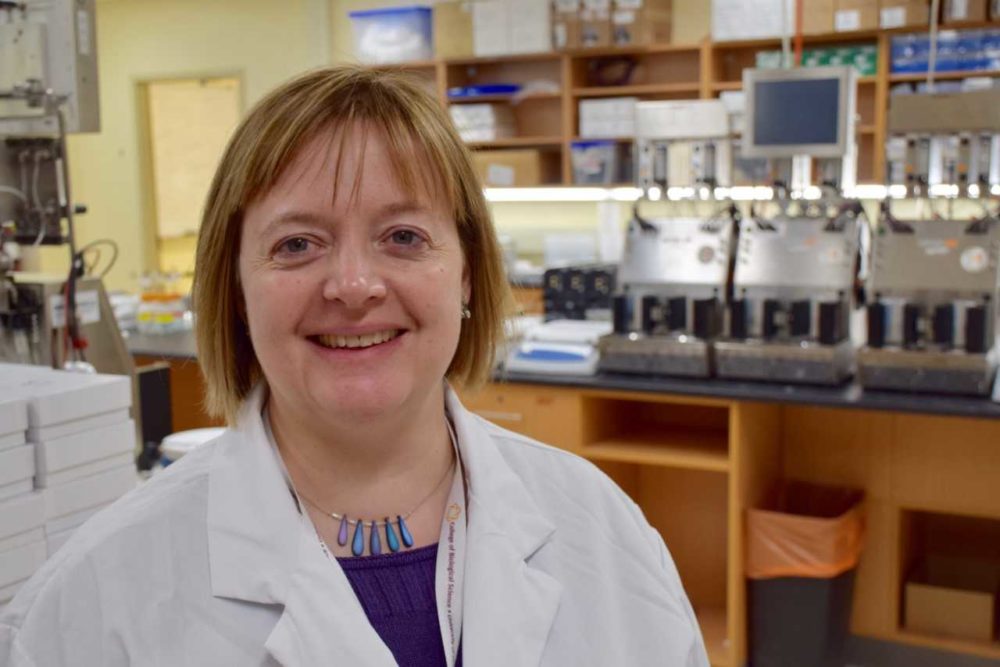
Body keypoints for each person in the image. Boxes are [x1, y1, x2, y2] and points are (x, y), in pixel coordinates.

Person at [0, 66, 709, 666]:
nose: (353, 284)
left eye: (403, 236)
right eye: (298, 244)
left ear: (465, 272)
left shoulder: (606, 534)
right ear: (236, 287)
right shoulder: (96, 596)